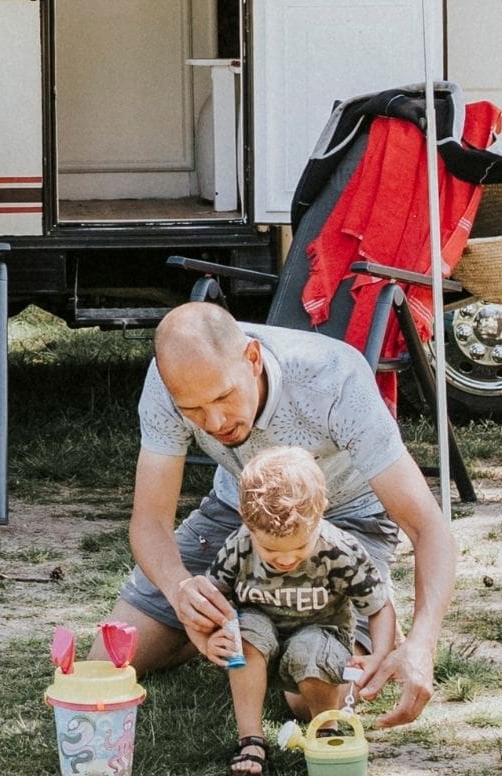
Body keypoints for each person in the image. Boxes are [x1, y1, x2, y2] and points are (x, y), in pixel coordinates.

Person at [110, 302, 462, 729]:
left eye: (223, 396)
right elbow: (149, 520)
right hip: (240, 510)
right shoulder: (168, 381)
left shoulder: (333, 377)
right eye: (193, 409)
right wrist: (180, 589)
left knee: (309, 697)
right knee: (112, 659)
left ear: (253, 358)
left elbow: (428, 526)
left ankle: (348, 612)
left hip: (344, 515)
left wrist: (423, 645)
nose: (215, 421)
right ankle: (245, 616)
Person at [207, 447, 394, 775]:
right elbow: (211, 600)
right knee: (244, 630)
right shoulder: (239, 546)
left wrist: (378, 655)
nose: (285, 559)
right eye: (270, 550)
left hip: (319, 642)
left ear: (321, 513)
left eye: (299, 547)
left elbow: (379, 607)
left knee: (310, 649)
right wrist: (211, 637)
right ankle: (250, 740)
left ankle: (325, 731)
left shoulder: (340, 550)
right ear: (246, 520)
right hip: (260, 643)